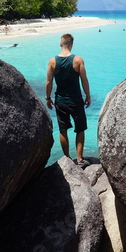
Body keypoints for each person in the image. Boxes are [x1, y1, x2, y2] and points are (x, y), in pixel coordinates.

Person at [46, 33, 91, 168]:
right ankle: (79, 159)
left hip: (60, 101)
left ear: (61, 44)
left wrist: (48, 98)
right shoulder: (78, 60)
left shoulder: (52, 61)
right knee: (80, 129)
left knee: (63, 129)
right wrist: (88, 96)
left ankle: (67, 159)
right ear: (71, 44)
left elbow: (49, 81)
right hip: (76, 101)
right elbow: (84, 80)